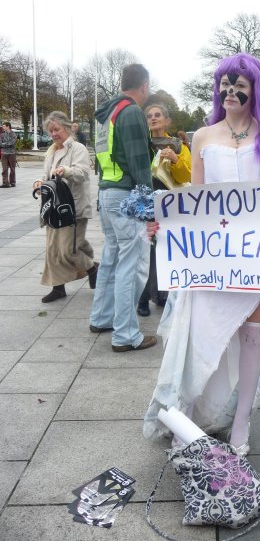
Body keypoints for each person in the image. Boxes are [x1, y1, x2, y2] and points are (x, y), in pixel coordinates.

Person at [143, 53, 260, 456]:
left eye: (238, 84)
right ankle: (186, 417)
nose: (229, 91)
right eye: (224, 83)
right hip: (211, 257)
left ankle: (241, 422)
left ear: (254, 89)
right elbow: (195, 200)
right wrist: (166, 225)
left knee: (252, 339)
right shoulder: (203, 136)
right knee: (201, 337)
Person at [89, 63, 157, 353]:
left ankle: (102, 318)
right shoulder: (131, 113)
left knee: (111, 260)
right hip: (127, 197)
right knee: (133, 265)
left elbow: (102, 160)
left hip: (107, 193)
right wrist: (149, 207)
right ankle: (126, 335)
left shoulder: (107, 116)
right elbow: (139, 162)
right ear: (144, 85)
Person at [32, 111, 97, 303]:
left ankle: (93, 268)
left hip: (73, 207)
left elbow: (83, 173)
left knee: (70, 250)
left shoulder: (78, 149)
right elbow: (47, 177)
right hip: (52, 208)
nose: (53, 134)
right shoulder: (51, 151)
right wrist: (39, 182)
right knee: (53, 249)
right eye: (50, 130)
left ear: (67, 128)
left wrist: (66, 171)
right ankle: (58, 288)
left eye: (57, 129)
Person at [137, 104, 192, 317]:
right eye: (149, 116)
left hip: (169, 205)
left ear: (167, 121)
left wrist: (176, 160)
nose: (153, 119)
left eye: (158, 115)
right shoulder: (142, 144)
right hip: (144, 202)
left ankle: (163, 294)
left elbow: (186, 177)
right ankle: (142, 299)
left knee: (165, 250)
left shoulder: (177, 145)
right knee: (145, 250)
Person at [1, 122, 17, 187]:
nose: (3, 127)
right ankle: (5, 183)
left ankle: (12, 182)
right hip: (4, 154)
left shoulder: (13, 134)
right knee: (4, 169)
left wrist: (4, 144)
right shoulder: (2, 135)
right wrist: (6, 144)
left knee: (12, 169)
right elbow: (0, 144)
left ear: (8, 126)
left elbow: (12, 143)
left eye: (4, 126)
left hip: (12, 153)